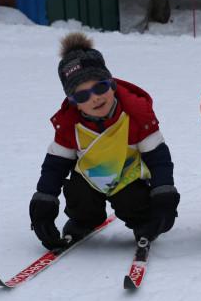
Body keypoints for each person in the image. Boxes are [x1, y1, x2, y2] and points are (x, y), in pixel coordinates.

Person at [29, 32, 179, 250]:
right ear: (74, 103)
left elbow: (159, 159)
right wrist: (44, 200)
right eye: (83, 96)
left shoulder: (136, 117)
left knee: (132, 201)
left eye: (100, 88)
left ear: (111, 84)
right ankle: (83, 221)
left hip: (128, 178)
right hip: (90, 179)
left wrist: (164, 192)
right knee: (80, 195)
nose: (95, 98)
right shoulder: (69, 126)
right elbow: (54, 167)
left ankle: (144, 222)